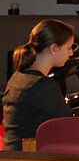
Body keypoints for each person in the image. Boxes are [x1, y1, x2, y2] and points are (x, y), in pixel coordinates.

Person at [2, 19, 75, 151]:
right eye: (69, 47)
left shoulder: (18, 76)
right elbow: (68, 123)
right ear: (54, 48)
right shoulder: (42, 85)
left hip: (12, 155)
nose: (71, 53)